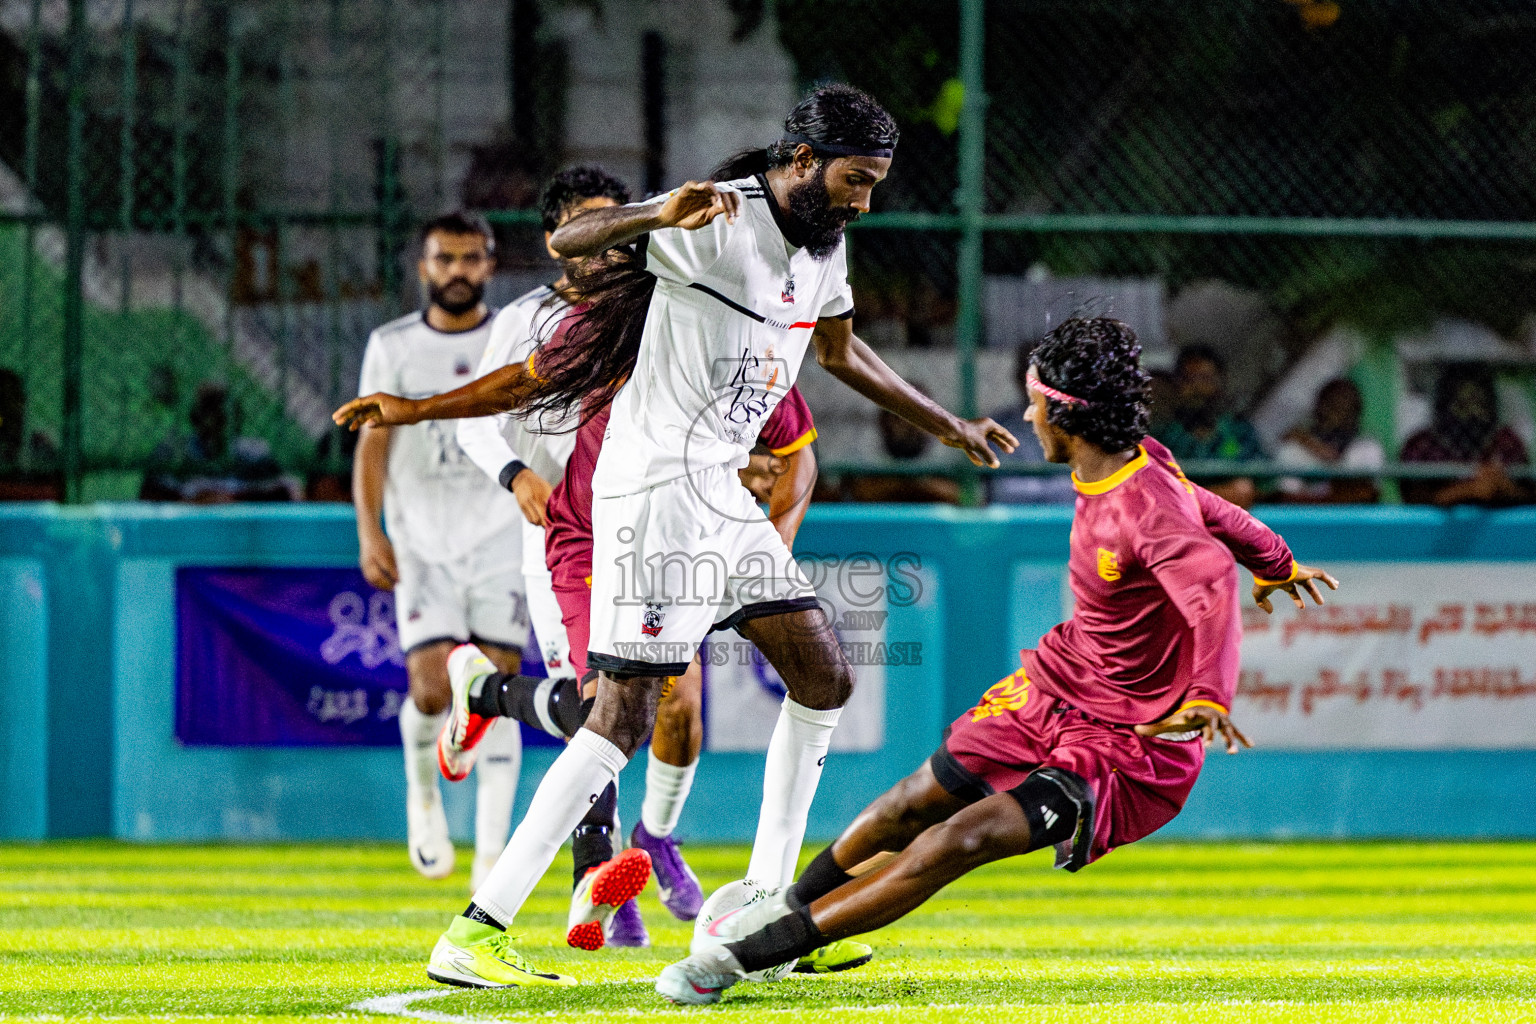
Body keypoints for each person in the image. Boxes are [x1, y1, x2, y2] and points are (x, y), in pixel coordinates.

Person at [337, 83, 1013, 987]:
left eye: (874, 184)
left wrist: (948, 424)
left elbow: (841, 352)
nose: (863, 201)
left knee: (825, 675)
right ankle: (477, 929)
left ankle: (765, 911)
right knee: (619, 719)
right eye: (856, 180)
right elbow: (571, 241)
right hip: (654, 495)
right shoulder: (716, 218)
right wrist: (657, 211)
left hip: (721, 497)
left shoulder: (824, 245)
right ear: (803, 160)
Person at [652, 316, 1338, 1005]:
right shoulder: (1134, 462)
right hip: (1057, 687)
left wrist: (1210, 696)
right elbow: (1211, 508)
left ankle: (738, 959)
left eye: (1035, 403)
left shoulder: (1144, 506)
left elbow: (1211, 588)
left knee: (960, 840)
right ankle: (782, 914)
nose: (1028, 415)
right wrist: (1276, 561)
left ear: (1065, 415)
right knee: (908, 804)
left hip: (1129, 741)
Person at [352, 212, 525, 890]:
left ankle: (491, 857)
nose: (457, 270)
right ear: (424, 267)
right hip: (421, 538)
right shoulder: (392, 344)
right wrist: (370, 530)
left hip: (499, 534)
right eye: (444, 259)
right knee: (431, 690)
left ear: (489, 264)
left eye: (470, 258)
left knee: (501, 688)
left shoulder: (512, 337)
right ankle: (423, 798)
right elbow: (373, 442)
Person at [1399, 363, 1532, 507]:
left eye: (1478, 401)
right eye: (1461, 402)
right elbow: (1412, 500)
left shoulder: (1507, 442)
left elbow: (1529, 497)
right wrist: (1466, 490)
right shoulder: (1421, 445)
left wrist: (1505, 488)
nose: (1472, 410)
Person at [1156, 344, 1264, 508]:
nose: (1197, 388)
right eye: (1188, 379)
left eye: (1205, 379)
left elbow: (1265, 484)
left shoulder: (1240, 432)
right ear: (1177, 385)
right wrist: (1221, 496)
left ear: (1220, 383)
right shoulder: (1163, 437)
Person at [986, 343, 1076, 505]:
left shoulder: (1079, 425)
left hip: (1068, 516)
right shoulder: (997, 426)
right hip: (1012, 517)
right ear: (1018, 378)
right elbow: (984, 493)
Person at [1274, 378, 1383, 503]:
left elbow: (1368, 495)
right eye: (1332, 405)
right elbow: (1288, 497)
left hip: (1353, 515)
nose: (1339, 414)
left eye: (1346, 407)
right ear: (1319, 408)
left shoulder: (1367, 448)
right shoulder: (1294, 449)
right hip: (1307, 515)